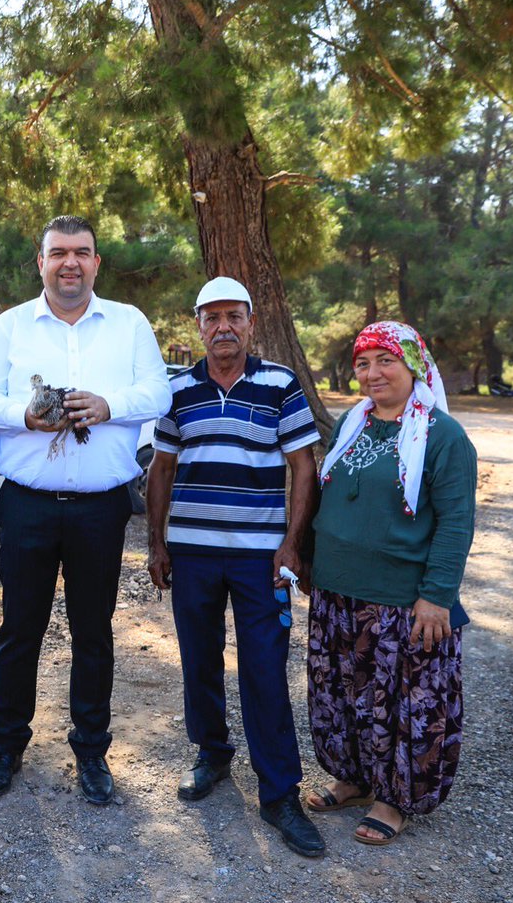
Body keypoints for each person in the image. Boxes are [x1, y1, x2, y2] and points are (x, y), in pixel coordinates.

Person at [0, 215, 170, 804]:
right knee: (18, 631)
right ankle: (6, 747)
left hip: (101, 509)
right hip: (27, 504)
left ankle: (91, 752)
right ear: (42, 262)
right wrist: (23, 417)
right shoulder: (11, 326)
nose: (70, 263)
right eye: (59, 253)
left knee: (93, 632)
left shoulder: (129, 323)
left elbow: (159, 392)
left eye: (82, 252)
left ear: (97, 263)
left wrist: (111, 405)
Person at [146, 277, 325, 858]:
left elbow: (303, 466)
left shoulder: (280, 384)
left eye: (234, 316)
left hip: (260, 557)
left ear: (251, 322)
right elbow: (162, 470)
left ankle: (280, 793)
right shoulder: (176, 390)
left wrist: (292, 545)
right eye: (211, 317)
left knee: (265, 669)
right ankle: (212, 754)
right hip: (192, 552)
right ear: (196, 325)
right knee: (199, 660)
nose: (223, 327)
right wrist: (157, 543)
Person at [306, 321, 476, 846]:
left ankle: (394, 798)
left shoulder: (443, 436)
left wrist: (436, 596)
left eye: (386, 360)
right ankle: (355, 779)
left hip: (403, 603)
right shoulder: (352, 423)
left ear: (414, 366)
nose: (373, 373)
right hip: (336, 593)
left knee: (400, 705)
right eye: (363, 363)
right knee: (343, 694)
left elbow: (455, 521)